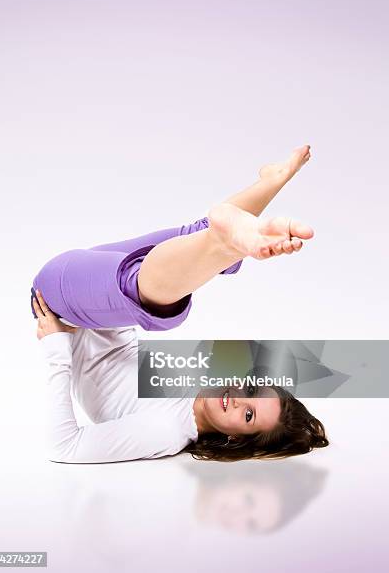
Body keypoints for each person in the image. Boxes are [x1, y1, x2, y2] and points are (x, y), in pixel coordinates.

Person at [31, 144, 329, 463]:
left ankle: (227, 245)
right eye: (252, 392)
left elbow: (65, 447)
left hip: (64, 300)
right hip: (96, 289)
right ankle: (267, 186)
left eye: (248, 416)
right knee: (189, 243)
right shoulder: (189, 386)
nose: (239, 399)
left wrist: (57, 347)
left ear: (234, 440)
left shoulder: (167, 429)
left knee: (152, 301)